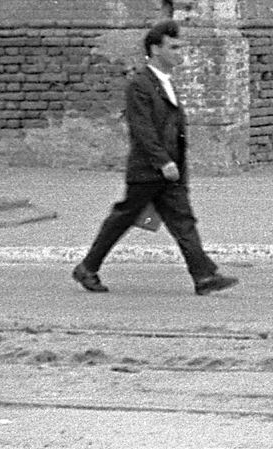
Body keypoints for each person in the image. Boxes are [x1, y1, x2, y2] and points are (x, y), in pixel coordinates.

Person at [73, 19, 237, 296]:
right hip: (149, 169)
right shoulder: (141, 84)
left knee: (182, 220)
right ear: (156, 49)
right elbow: (142, 129)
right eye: (173, 47)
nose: (179, 52)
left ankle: (204, 276)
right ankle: (87, 267)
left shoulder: (165, 82)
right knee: (123, 217)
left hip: (169, 170)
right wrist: (163, 161)